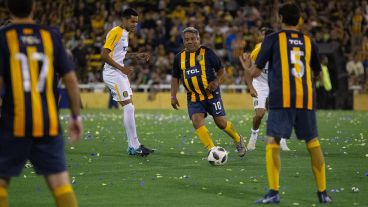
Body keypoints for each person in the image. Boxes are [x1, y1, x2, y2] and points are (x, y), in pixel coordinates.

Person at [244, 3, 332, 204]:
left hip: (281, 97)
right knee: (312, 142)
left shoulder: (273, 39)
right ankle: (323, 192)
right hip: (305, 97)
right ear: (300, 19)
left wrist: (247, 67)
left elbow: (256, 72)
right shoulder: (309, 41)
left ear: (280, 18)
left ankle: (273, 192)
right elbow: (317, 73)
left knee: (273, 142)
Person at [0, 0, 83, 206]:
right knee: (60, 183)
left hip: (14, 123)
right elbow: (71, 80)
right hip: (48, 122)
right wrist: (75, 116)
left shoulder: (4, 37)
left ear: (8, 9)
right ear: (34, 7)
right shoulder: (50, 36)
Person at [171, 27, 246, 157]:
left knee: (221, 123)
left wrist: (216, 82)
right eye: (186, 39)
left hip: (212, 95)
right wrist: (173, 95)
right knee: (196, 121)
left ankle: (237, 138)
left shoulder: (207, 53)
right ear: (183, 41)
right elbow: (175, 77)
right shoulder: (179, 58)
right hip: (194, 97)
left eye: (193, 39)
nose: (190, 42)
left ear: (198, 39)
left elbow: (221, 70)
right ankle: (212, 149)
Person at [101, 8, 154, 156]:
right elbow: (104, 55)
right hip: (113, 73)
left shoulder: (124, 34)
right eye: (132, 21)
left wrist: (136, 55)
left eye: (136, 22)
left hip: (118, 73)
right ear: (123, 19)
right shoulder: (115, 32)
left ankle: (134, 145)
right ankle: (134, 146)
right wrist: (122, 69)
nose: (134, 24)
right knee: (129, 108)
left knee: (129, 107)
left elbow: (119, 54)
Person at [240, 27, 291, 151]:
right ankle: (253, 136)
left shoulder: (282, 52)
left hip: (275, 84)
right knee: (260, 114)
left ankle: (282, 140)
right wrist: (251, 87)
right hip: (260, 84)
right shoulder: (257, 52)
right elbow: (248, 71)